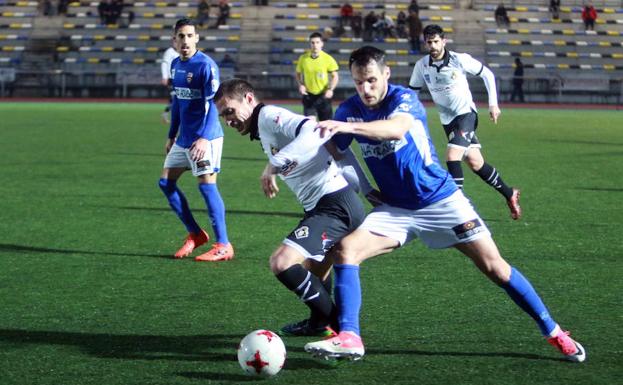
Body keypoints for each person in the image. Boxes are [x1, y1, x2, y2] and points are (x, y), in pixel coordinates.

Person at [303, 45, 586, 364]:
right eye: (358, 82)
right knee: (345, 250)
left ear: (386, 74)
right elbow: (335, 149)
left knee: (495, 267)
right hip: (395, 208)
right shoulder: (349, 109)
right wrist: (366, 187)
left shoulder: (402, 99)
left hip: (440, 199)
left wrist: (348, 127)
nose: (365, 89)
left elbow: (395, 129)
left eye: (370, 80)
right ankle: (349, 336)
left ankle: (554, 331)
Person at [214, 78, 376, 336]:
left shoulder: (268, 116)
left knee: (282, 262)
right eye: (223, 116)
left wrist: (273, 164)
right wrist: (365, 189)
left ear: (248, 99)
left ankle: (339, 327)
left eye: (230, 112)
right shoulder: (263, 127)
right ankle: (319, 323)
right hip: (330, 204)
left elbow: (314, 129)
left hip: (334, 205)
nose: (228, 120)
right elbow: (333, 148)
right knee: (315, 273)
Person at [408, 24, 521, 220]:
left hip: (466, 114)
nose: (433, 46)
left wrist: (493, 104)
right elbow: (412, 94)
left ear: (444, 41)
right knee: (476, 163)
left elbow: (488, 74)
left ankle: (456, 208)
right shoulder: (421, 66)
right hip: (448, 120)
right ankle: (509, 193)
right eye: (429, 42)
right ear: (425, 43)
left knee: (452, 156)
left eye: (436, 41)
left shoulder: (460, 60)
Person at [158, 18, 234, 262]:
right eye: (181, 36)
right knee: (165, 183)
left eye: (190, 35)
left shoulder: (207, 66)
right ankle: (195, 234)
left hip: (206, 138)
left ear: (197, 38)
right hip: (184, 138)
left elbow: (214, 106)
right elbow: (178, 103)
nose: (185, 40)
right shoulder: (175, 65)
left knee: (206, 185)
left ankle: (223, 244)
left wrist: (203, 138)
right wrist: (172, 135)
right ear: (174, 40)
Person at [295, 32, 339, 121]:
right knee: (309, 125)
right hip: (309, 96)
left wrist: (330, 89)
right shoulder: (303, 58)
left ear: (322, 44)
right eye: (312, 42)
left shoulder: (328, 59)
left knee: (326, 126)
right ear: (310, 44)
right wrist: (301, 85)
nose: (315, 45)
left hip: (323, 96)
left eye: (317, 42)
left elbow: (335, 76)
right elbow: (298, 74)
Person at [160, 43, 179, 124]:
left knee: (176, 99)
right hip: (171, 79)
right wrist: (164, 76)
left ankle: (165, 114)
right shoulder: (169, 52)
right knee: (175, 98)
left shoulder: (181, 52)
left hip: (179, 78)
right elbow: (164, 64)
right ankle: (167, 114)